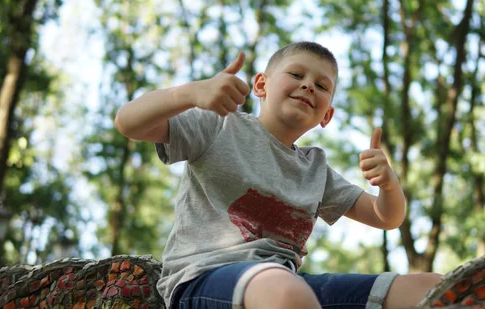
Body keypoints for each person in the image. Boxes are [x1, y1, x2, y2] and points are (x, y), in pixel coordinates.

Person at [114, 41, 442, 309]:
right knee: (285, 292)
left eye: (321, 85)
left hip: (286, 286)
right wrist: (190, 94)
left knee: (430, 288)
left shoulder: (315, 168)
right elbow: (128, 122)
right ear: (261, 85)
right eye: (297, 74)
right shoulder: (219, 125)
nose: (307, 86)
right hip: (204, 280)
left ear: (326, 115)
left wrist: (388, 183)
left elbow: (387, 217)